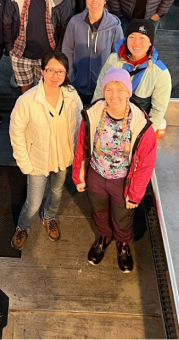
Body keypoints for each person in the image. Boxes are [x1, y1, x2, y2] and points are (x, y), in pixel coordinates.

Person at [73, 68, 157, 272]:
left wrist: (135, 194)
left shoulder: (141, 124)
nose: (114, 95)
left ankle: (122, 244)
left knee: (122, 216)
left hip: (122, 180)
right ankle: (103, 237)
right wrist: (79, 175)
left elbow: (146, 164)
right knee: (99, 212)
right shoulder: (93, 113)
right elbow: (81, 145)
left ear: (128, 92)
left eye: (120, 89)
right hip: (96, 175)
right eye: (109, 89)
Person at [9, 51, 82, 250]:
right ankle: (23, 226)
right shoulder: (27, 100)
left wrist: (77, 156)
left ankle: (49, 217)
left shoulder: (71, 95)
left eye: (60, 71)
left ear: (66, 73)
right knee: (33, 202)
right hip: (37, 160)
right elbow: (16, 132)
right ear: (42, 71)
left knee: (56, 192)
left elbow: (78, 125)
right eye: (50, 70)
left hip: (62, 156)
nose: (55, 76)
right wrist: (24, 163)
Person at [3, 0, 73, 94]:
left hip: (48, 56)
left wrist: (56, 54)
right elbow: (6, 23)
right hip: (21, 55)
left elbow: (65, 29)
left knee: (47, 93)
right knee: (26, 94)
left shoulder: (61, 0)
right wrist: (11, 48)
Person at [93, 20, 170, 135]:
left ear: (150, 42)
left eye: (142, 38)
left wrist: (144, 136)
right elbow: (100, 90)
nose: (136, 42)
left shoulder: (160, 73)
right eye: (132, 37)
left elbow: (158, 111)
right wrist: (95, 121)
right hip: (109, 125)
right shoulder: (114, 59)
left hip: (137, 128)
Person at [61, 0, 123, 105]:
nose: (94, 1)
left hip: (103, 87)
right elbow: (67, 50)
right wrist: (72, 76)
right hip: (78, 85)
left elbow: (119, 56)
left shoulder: (115, 26)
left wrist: (110, 81)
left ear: (105, 0)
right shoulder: (75, 22)